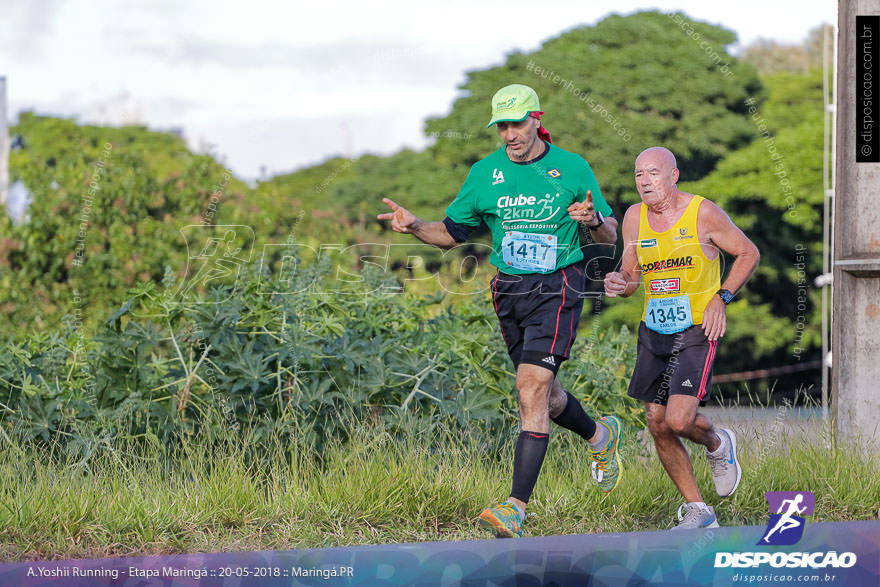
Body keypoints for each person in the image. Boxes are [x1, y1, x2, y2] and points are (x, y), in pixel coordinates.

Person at [378, 84, 623, 538]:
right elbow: (450, 233)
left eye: (516, 123)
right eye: (501, 126)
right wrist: (413, 227)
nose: (509, 134)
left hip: (558, 285)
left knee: (530, 387)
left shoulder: (571, 167)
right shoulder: (484, 173)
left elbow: (609, 234)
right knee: (544, 396)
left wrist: (591, 221)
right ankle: (601, 436)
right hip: (509, 290)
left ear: (536, 119)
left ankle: (515, 508)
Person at [604, 146, 759, 529]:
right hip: (654, 328)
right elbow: (631, 277)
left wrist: (722, 298)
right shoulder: (633, 218)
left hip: (695, 328)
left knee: (677, 419)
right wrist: (619, 283)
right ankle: (698, 510)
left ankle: (717, 444)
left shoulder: (702, 212)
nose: (644, 182)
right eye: (638, 174)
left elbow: (748, 252)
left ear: (673, 176)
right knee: (656, 421)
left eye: (653, 173)